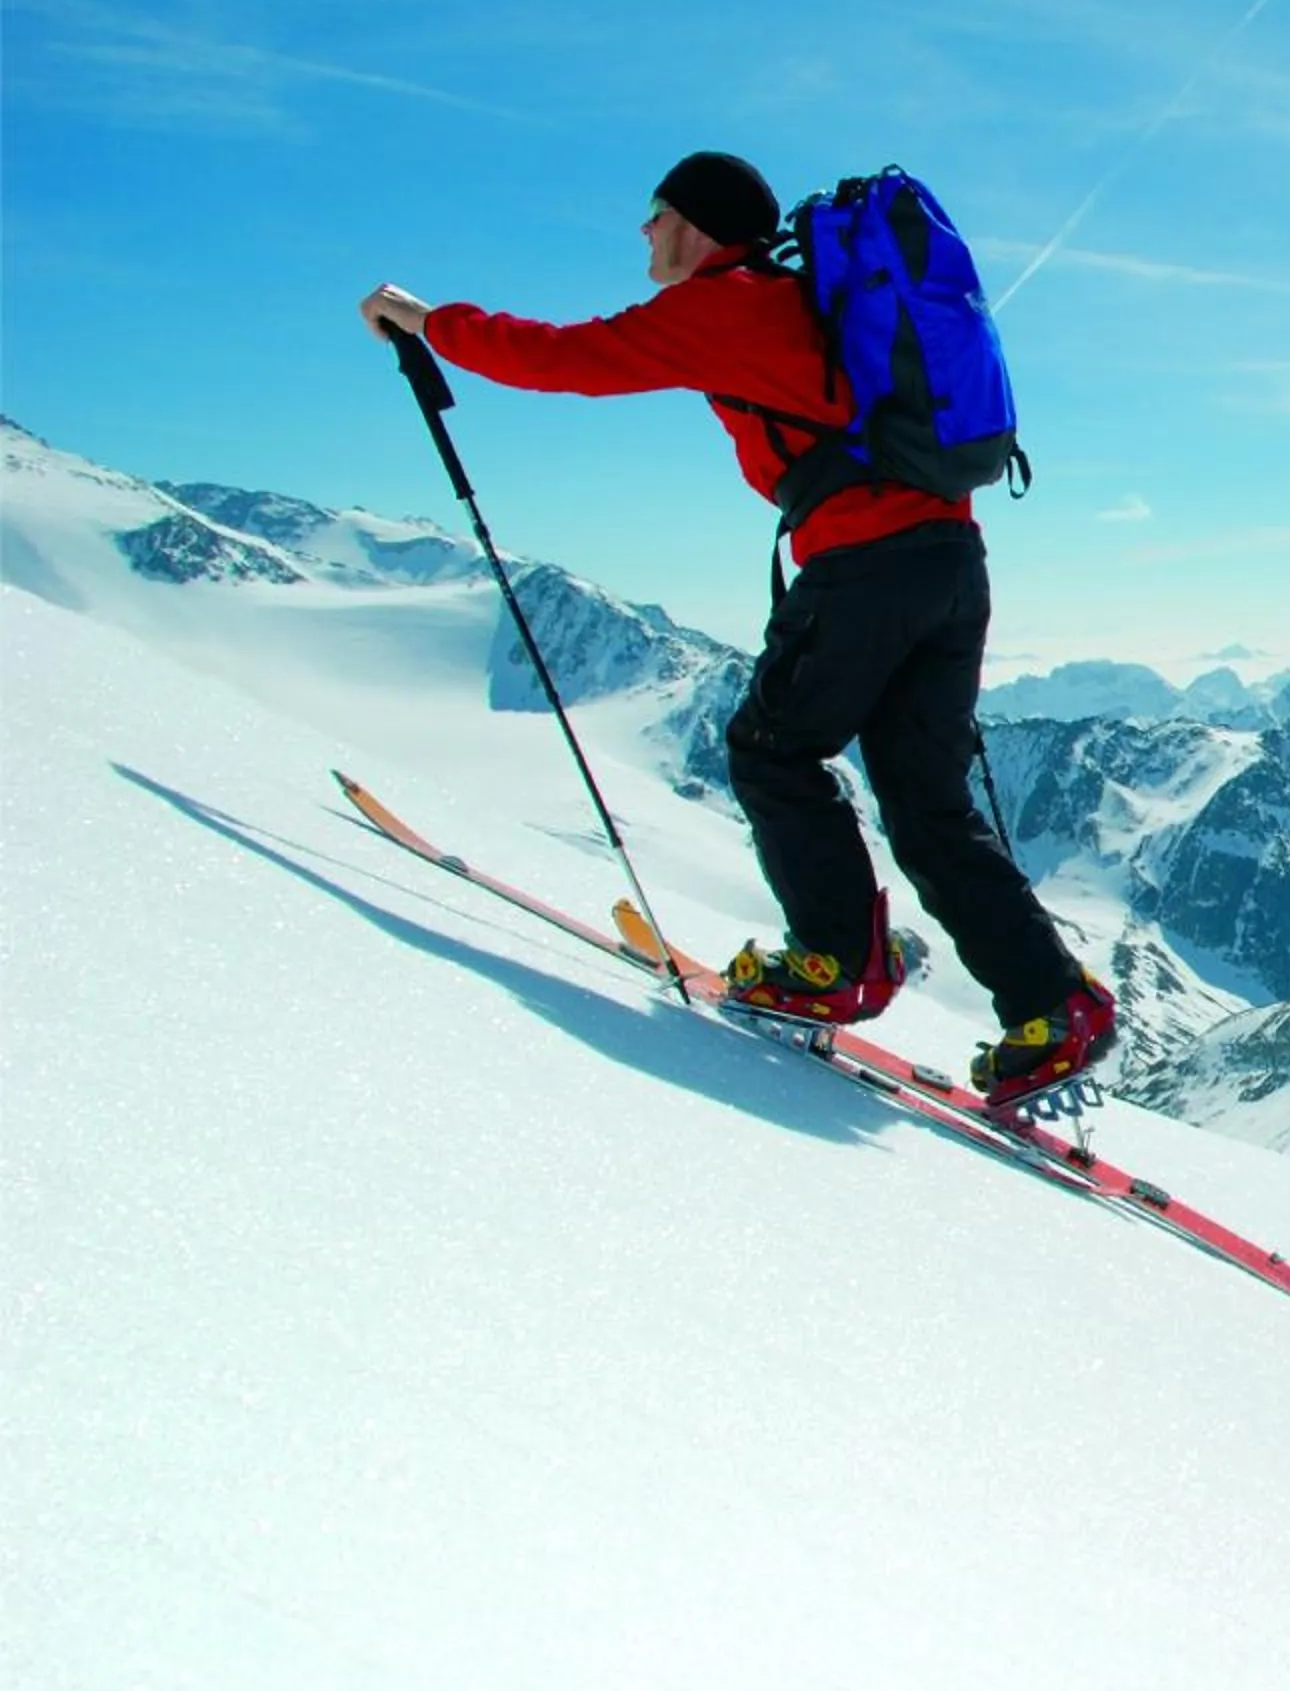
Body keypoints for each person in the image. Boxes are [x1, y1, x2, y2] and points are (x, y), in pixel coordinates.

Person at [358, 151, 1114, 1108]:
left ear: (698, 225)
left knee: (772, 750)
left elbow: (558, 358)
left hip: (864, 564)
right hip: (951, 562)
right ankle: (1053, 1007)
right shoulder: (812, 303)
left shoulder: (725, 305)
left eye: (656, 211)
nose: (644, 230)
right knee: (927, 804)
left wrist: (426, 321)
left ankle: (833, 963)